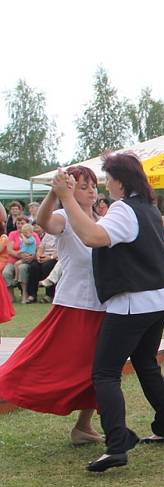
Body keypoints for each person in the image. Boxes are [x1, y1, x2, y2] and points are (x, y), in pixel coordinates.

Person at [53, 153, 164, 472]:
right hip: (160, 299)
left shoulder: (124, 209)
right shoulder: (149, 208)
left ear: (119, 181)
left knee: (104, 373)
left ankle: (116, 445)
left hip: (133, 302)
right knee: (145, 363)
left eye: (108, 178)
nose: (105, 184)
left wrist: (67, 197)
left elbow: (92, 236)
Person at [0, 166, 104, 444]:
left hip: (104, 304)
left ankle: (84, 425)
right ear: (69, 189)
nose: (91, 190)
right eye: (84, 186)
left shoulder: (102, 218)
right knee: (44, 359)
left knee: (98, 368)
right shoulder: (63, 216)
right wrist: (53, 193)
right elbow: (44, 222)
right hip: (75, 304)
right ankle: (6, 385)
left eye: (93, 185)